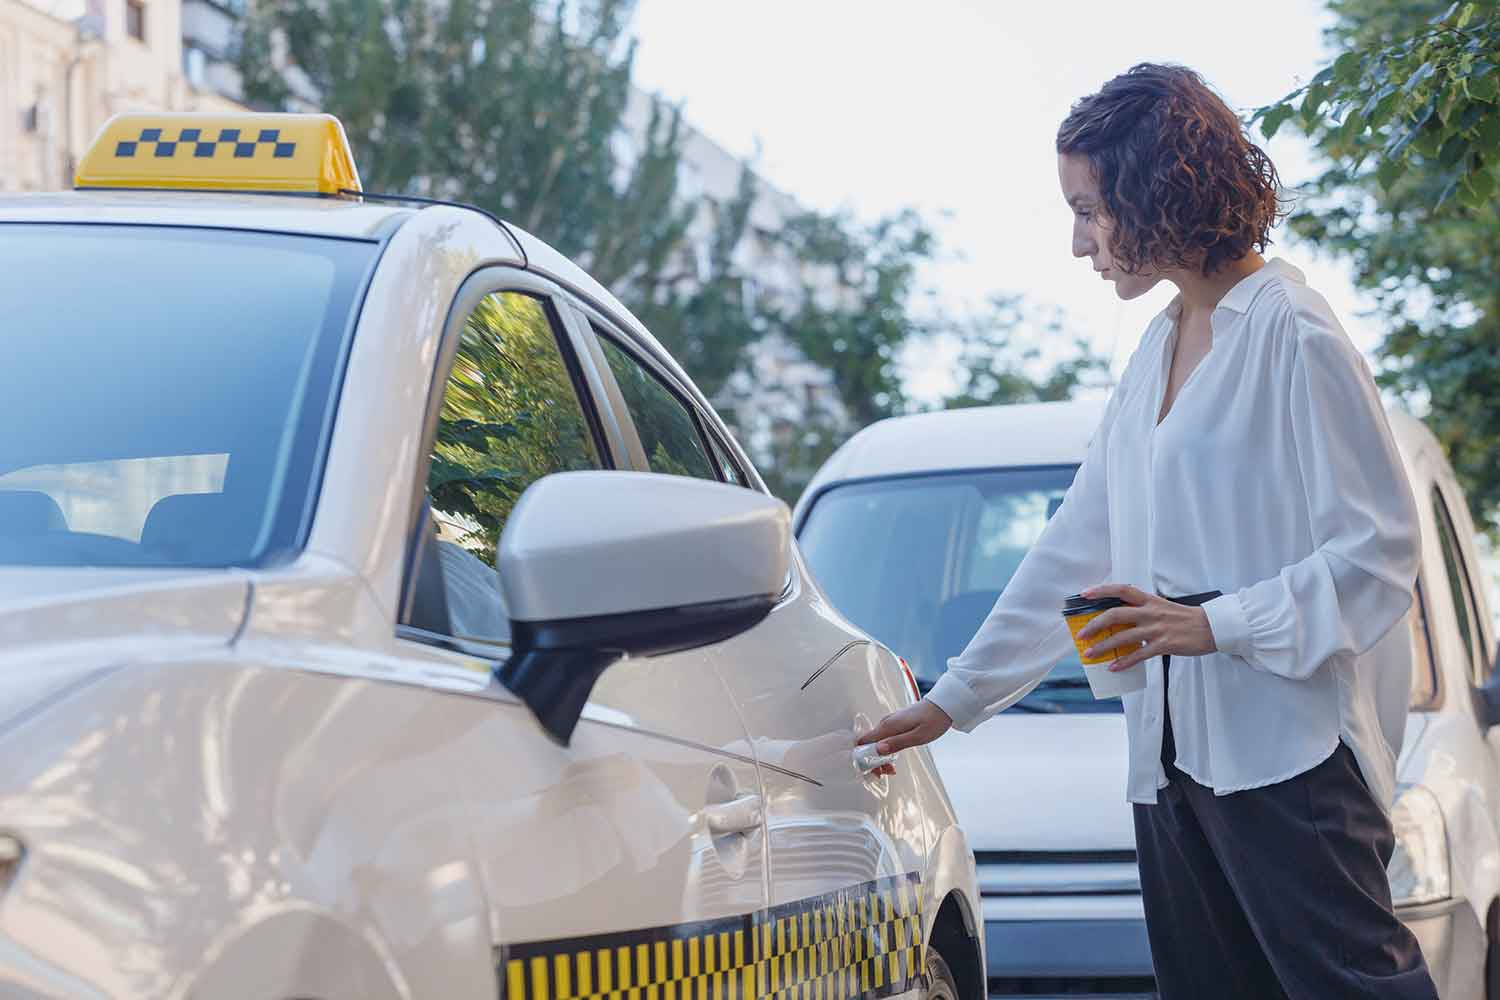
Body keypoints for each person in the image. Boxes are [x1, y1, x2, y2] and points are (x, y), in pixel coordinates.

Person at [857, 63, 1437, 999]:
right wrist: (953, 701)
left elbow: (1378, 557)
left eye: (1089, 210)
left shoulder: (1293, 332)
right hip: (1169, 759)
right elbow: (1076, 546)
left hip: (1286, 759)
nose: (1078, 242)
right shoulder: (1159, 347)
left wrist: (1214, 624)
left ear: (1154, 190)